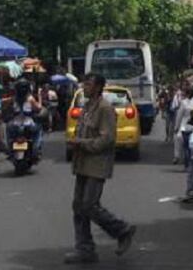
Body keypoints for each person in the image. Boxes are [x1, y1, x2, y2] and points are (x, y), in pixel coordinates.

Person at [65, 73, 135, 264]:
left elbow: (107, 139)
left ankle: (121, 229)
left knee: (89, 205)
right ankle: (85, 249)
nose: (84, 88)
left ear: (98, 87)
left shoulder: (105, 109)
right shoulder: (87, 107)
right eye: (84, 84)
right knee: (78, 207)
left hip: (97, 163)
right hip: (82, 163)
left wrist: (81, 142)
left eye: (88, 85)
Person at [12, 80, 45, 154]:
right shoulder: (30, 98)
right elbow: (39, 108)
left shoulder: (14, 99)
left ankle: (9, 148)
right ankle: (36, 148)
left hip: (15, 124)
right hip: (28, 124)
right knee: (39, 129)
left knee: (9, 131)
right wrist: (40, 98)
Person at [174, 87, 193, 168]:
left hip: (185, 127)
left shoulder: (184, 103)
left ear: (187, 94)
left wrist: (176, 127)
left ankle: (177, 157)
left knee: (182, 143)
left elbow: (179, 116)